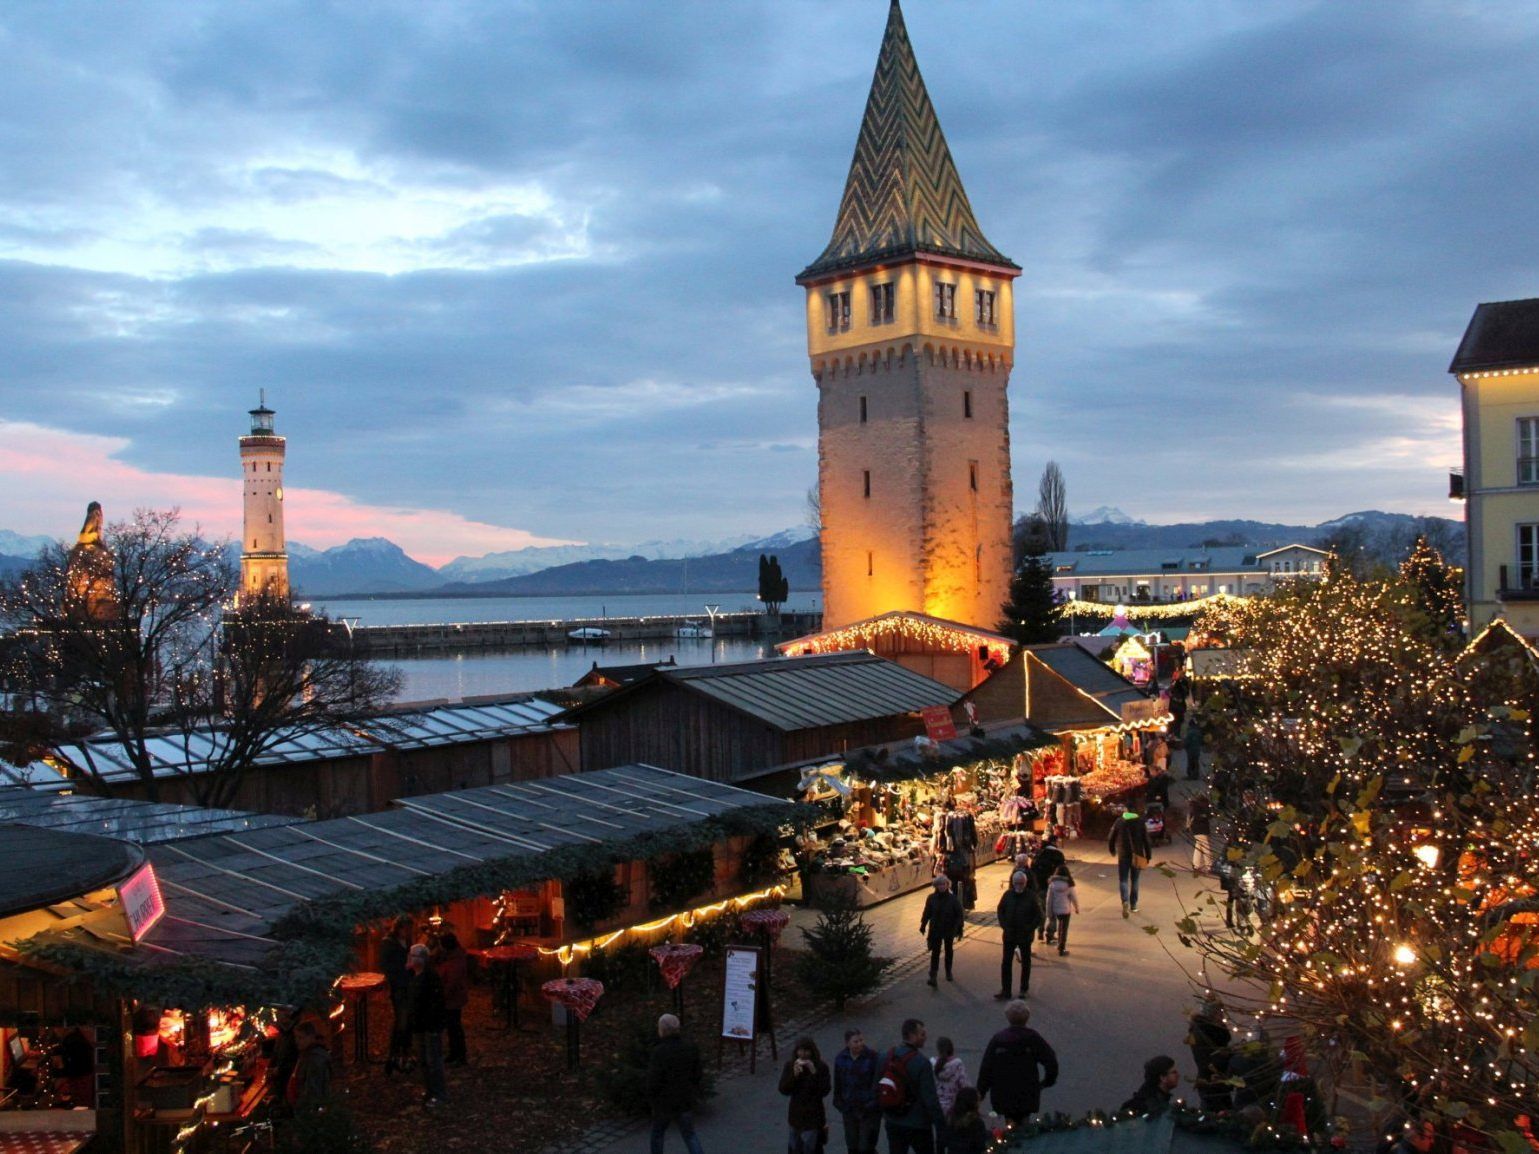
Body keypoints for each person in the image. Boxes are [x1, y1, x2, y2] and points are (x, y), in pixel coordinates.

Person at [976, 1000, 1057, 1127]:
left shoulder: (999, 1039)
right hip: (1027, 1089)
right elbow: (1050, 1060)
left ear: (1008, 1017)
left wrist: (981, 1092)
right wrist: (1047, 1081)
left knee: (1010, 1121)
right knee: (1025, 1119)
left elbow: (987, 1067)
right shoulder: (1032, 1038)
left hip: (1004, 1090)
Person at [881, 1019, 944, 1154]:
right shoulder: (922, 1063)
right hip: (918, 1124)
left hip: (893, 1120)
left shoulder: (886, 1056)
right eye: (922, 1034)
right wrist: (941, 1126)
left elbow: (878, 1086)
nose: (925, 1037)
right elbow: (930, 1099)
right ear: (912, 1036)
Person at [648, 1014, 705, 1154]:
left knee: (657, 1135)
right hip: (685, 1099)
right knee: (690, 1135)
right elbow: (697, 1073)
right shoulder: (690, 1047)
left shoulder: (659, 1052)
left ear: (662, 1030)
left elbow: (654, 1080)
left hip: (664, 1103)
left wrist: (652, 1099)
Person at [405, 943, 447, 1106]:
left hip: (430, 1026)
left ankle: (439, 1093)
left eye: (413, 956)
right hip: (419, 1025)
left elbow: (435, 1004)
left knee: (433, 1061)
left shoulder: (430, 978)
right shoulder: (415, 976)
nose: (410, 958)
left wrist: (433, 1025)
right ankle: (430, 1090)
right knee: (423, 1060)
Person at [779, 1037, 832, 1154]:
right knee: (794, 1147)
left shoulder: (821, 1067)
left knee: (810, 1148)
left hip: (813, 1116)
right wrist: (794, 1076)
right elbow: (783, 1089)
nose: (803, 1054)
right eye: (800, 1051)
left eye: (806, 1051)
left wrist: (814, 1073)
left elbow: (824, 1091)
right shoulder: (790, 1065)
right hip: (795, 1115)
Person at [994, 871, 1043, 999]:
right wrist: (1004, 925)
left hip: (1025, 935)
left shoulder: (1031, 897)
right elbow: (1000, 910)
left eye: (1021, 883)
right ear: (1013, 883)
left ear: (1025, 883)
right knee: (1006, 962)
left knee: (1026, 962)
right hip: (1009, 934)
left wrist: (1029, 928)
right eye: (1017, 883)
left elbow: (1039, 916)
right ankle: (1006, 990)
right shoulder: (1008, 895)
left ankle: (1023, 989)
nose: (1019, 886)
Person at [833, 1029, 881, 1154]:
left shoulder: (872, 1057)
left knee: (866, 1145)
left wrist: (872, 1103)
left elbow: (877, 1082)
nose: (859, 1044)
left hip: (867, 1109)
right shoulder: (841, 1059)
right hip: (849, 1107)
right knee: (852, 1143)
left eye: (861, 1040)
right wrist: (839, 1102)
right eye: (855, 1041)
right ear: (847, 1043)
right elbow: (838, 1082)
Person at [381, 916, 414, 1074]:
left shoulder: (406, 942)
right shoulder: (389, 944)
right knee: (402, 1021)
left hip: (407, 985)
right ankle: (395, 1055)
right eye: (406, 929)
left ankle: (403, 1054)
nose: (408, 932)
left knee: (406, 1022)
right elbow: (388, 967)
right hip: (400, 987)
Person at [919, 876, 965, 987]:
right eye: (939, 885)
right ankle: (933, 975)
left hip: (949, 928)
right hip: (936, 928)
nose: (942, 886)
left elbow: (959, 914)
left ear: (947, 885)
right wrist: (923, 925)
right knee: (935, 952)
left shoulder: (953, 899)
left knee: (949, 950)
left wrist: (959, 928)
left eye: (944, 884)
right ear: (936, 886)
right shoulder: (931, 898)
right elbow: (927, 912)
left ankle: (948, 971)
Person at [1108, 808, 1154, 917]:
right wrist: (1148, 855)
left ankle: (1125, 901)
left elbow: (1111, 837)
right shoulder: (1140, 822)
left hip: (1123, 855)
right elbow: (1146, 840)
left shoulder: (1119, 821)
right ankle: (1133, 905)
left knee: (1123, 880)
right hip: (1137, 855)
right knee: (1135, 880)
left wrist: (1112, 850)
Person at [434, 931, 470, 1065]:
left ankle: (459, 1055)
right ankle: (454, 1053)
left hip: (453, 999)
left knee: (454, 1028)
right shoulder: (454, 957)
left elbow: (452, 983)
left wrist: (441, 996)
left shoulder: (455, 961)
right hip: (452, 997)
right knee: (452, 1027)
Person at [286, 1020, 331, 1111]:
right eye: (296, 1038)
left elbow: (313, 1090)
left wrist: (302, 1107)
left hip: (308, 1111)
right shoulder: (305, 1055)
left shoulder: (315, 1059)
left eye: (300, 1038)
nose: (297, 1041)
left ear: (310, 1037)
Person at [1028, 837, 1064, 942]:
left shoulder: (1039, 854)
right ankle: (1050, 934)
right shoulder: (1058, 855)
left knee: (1042, 910)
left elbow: (1032, 870)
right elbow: (1062, 871)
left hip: (1039, 887)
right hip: (1053, 887)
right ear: (1053, 842)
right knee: (1052, 912)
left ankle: (1040, 931)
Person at [930, 1036, 968, 1127]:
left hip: (937, 1107)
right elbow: (964, 1085)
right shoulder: (957, 1064)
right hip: (954, 1108)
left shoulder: (932, 1063)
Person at [941, 1087, 990, 1154]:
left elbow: (944, 1141)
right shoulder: (976, 1123)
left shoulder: (951, 1120)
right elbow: (981, 1145)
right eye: (978, 1100)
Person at [1044, 865, 1079, 955]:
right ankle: (1061, 947)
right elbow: (1074, 897)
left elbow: (1049, 899)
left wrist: (1049, 911)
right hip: (1066, 910)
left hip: (1056, 909)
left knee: (1059, 926)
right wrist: (1076, 908)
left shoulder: (1052, 884)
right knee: (1064, 929)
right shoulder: (1069, 884)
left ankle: (1057, 941)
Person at [1189, 796, 1215, 875]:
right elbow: (1204, 817)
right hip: (1201, 831)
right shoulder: (1199, 810)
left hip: (1196, 831)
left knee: (1199, 848)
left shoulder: (1194, 808)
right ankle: (1209, 866)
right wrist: (1208, 814)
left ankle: (1196, 865)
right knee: (1206, 848)